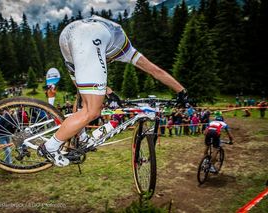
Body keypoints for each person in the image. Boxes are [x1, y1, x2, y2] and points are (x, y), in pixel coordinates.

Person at [38, 15, 187, 167]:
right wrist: (181, 91)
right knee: (93, 111)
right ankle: (50, 147)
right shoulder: (127, 50)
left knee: (84, 97)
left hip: (68, 34)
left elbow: (82, 84)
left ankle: (81, 136)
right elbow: (156, 71)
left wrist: (108, 92)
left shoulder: (112, 36)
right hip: (90, 37)